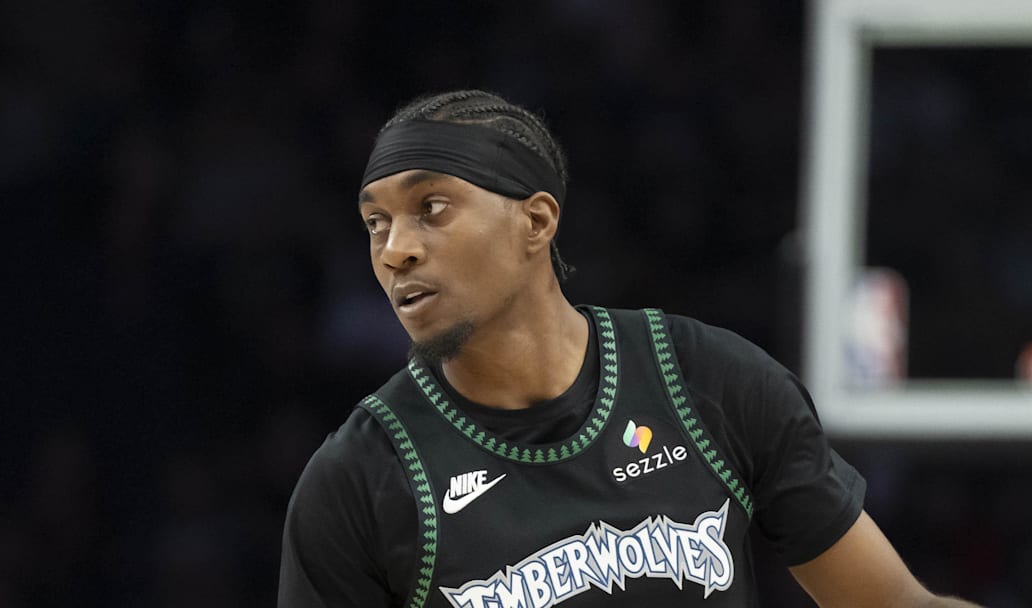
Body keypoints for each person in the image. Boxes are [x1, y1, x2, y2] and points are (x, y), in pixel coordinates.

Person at [278, 90, 981, 608]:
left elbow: (891, 604)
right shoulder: (360, 479)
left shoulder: (705, 379)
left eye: (431, 208)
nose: (395, 249)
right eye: (376, 222)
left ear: (537, 221)